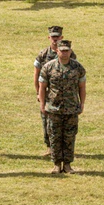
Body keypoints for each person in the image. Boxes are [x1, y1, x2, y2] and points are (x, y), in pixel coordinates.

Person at [39, 38, 86, 174]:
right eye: (62, 51)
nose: (65, 53)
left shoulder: (78, 68)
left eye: (67, 51)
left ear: (70, 51)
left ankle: (67, 165)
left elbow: (82, 87)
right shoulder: (48, 67)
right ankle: (56, 164)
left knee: (69, 137)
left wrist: (82, 103)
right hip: (54, 108)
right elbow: (42, 87)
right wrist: (42, 104)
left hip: (71, 108)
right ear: (57, 51)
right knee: (54, 136)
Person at [33, 24, 65, 155]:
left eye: (57, 37)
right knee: (46, 121)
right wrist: (38, 93)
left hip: (64, 94)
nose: (55, 40)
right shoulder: (43, 54)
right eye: (53, 37)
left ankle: (64, 148)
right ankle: (50, 146)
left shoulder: (68, 53)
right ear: (49, 37)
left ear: (62, 37)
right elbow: (37, 74)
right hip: (47, 94)